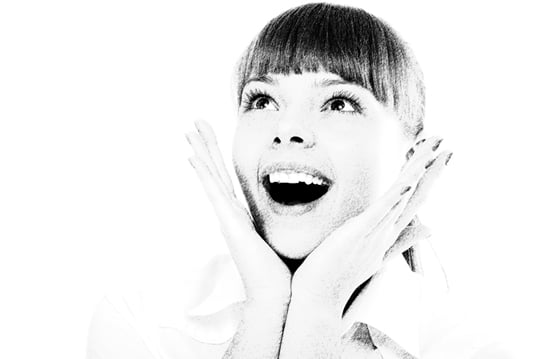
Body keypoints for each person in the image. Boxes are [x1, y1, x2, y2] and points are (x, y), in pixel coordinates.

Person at [87, 3, 511, 358]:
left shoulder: (469, 345)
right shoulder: (141, 318)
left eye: (339, 103)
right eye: (262, 100)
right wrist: (267, 305)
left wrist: (317, 306)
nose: (287, 129)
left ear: (412, 158)